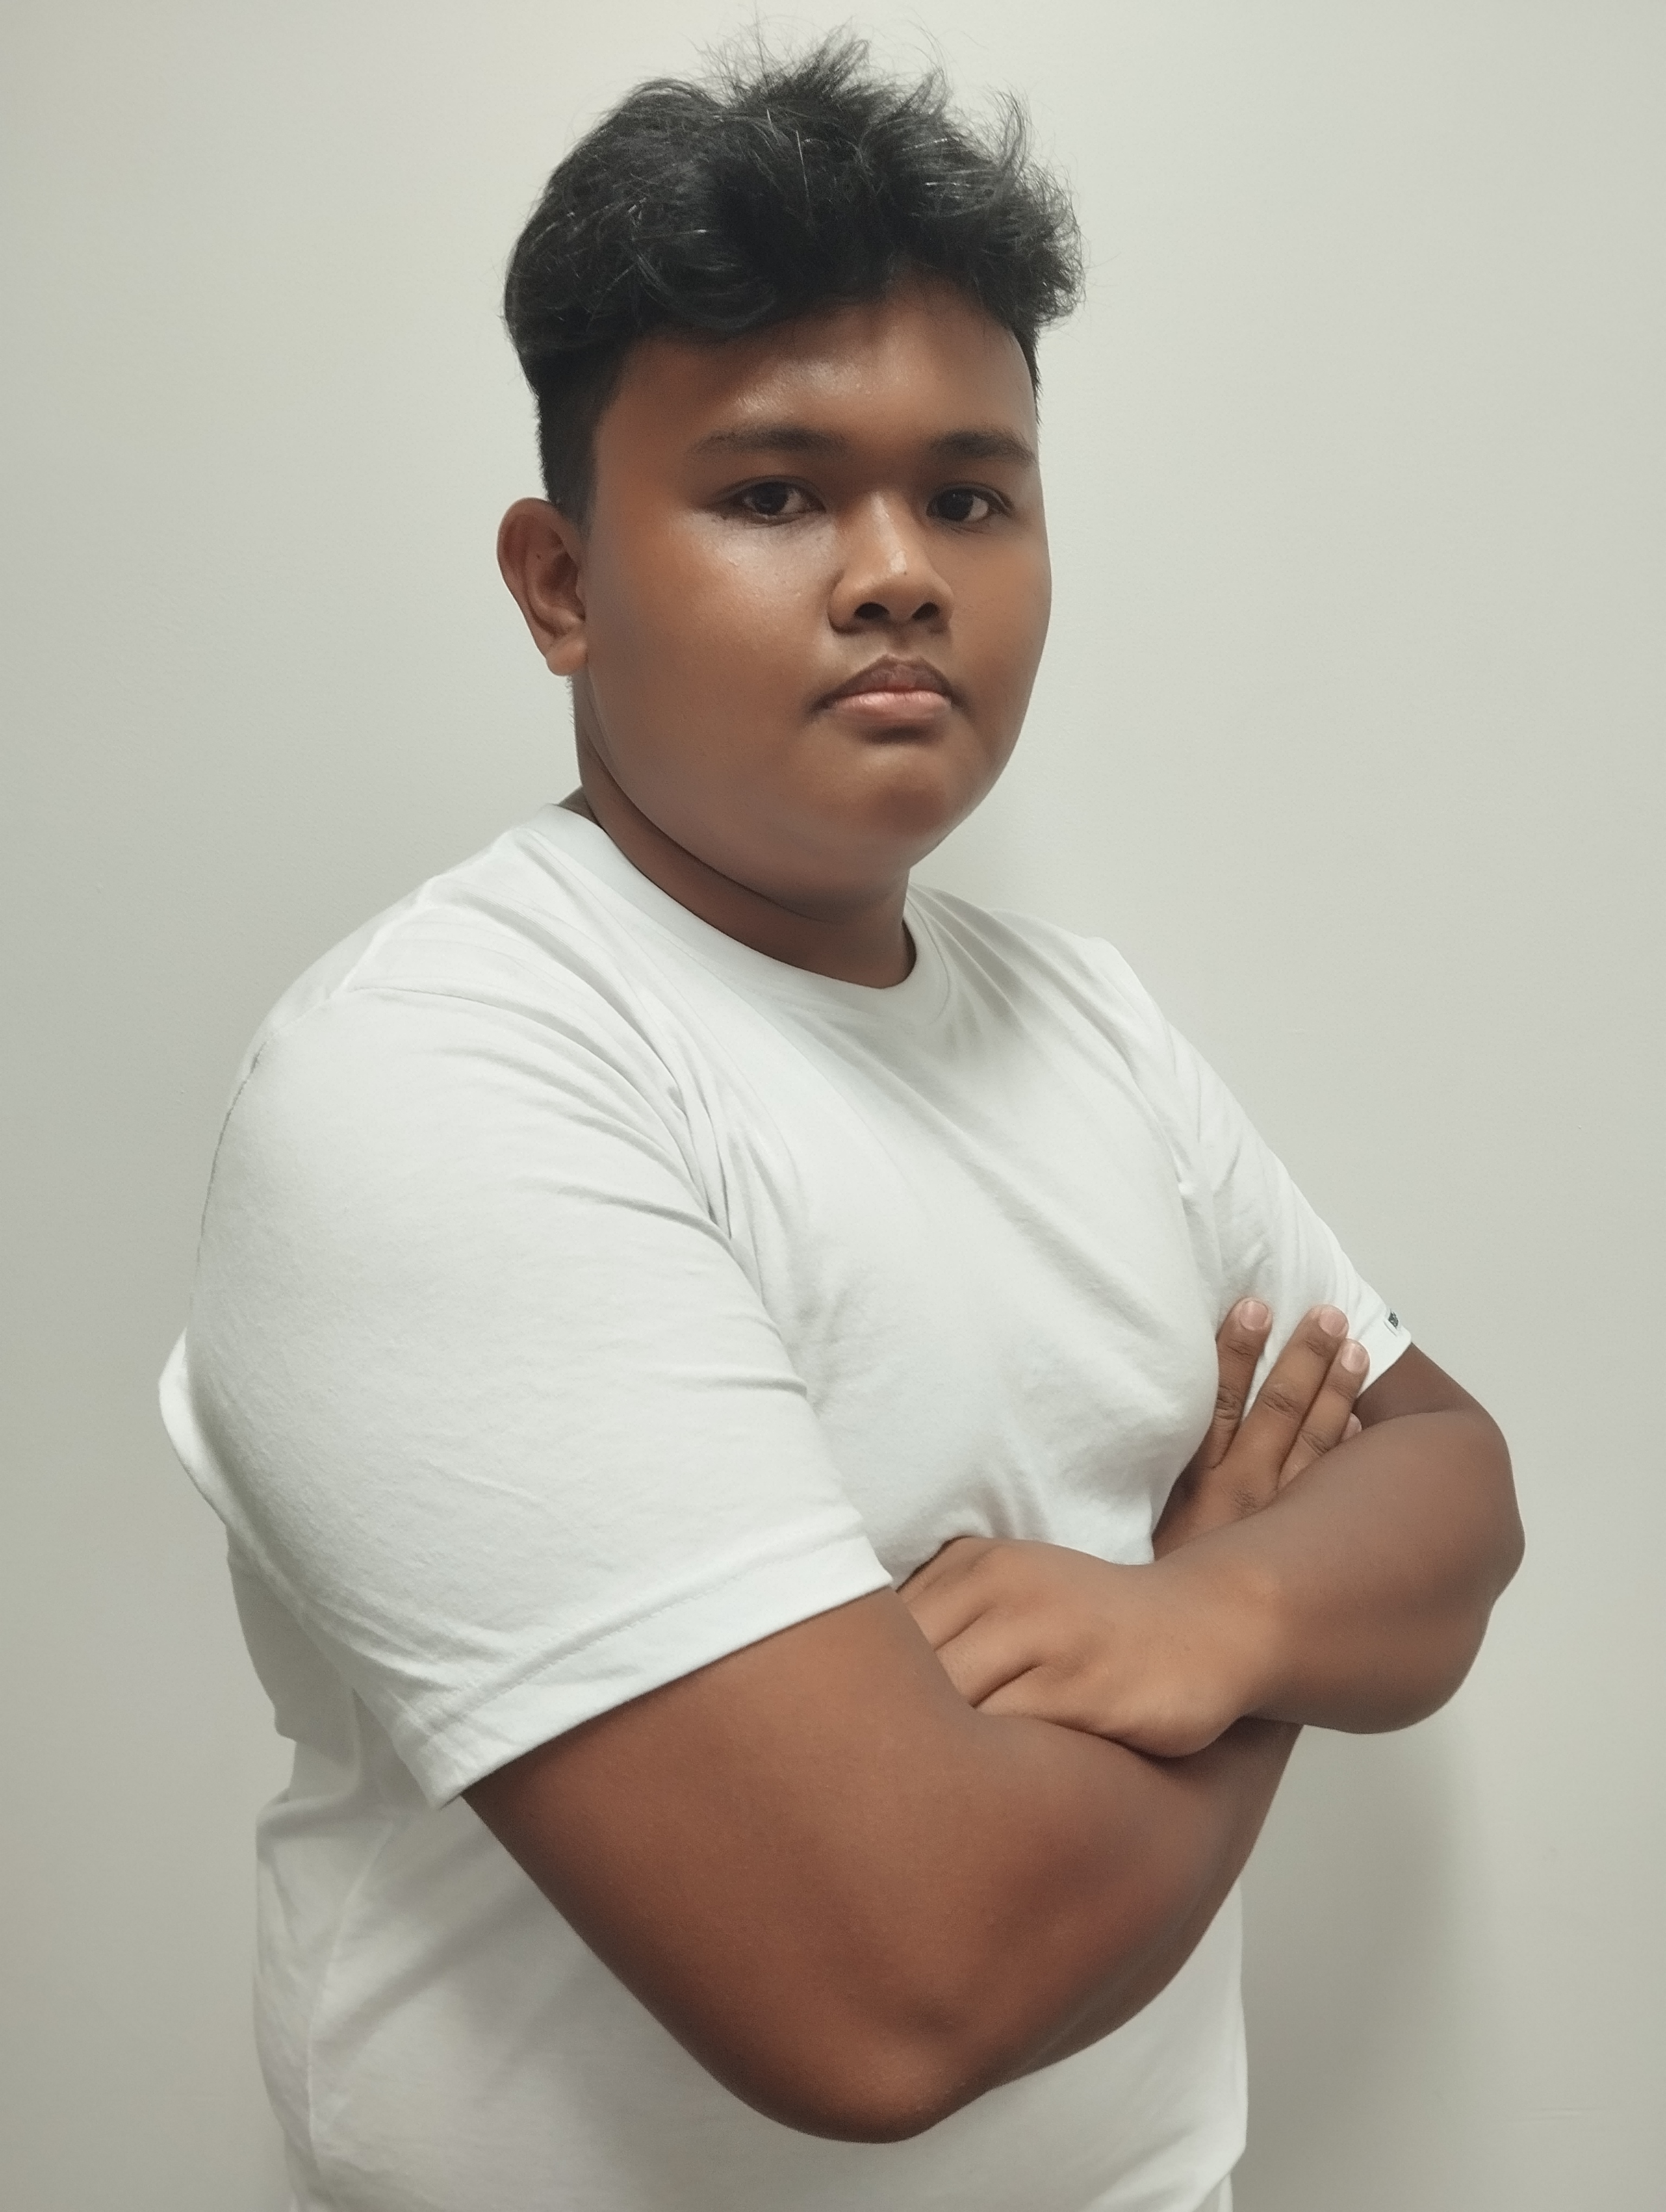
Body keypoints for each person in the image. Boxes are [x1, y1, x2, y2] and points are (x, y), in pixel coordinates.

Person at [161, 36, 1522, 2212]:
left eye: (970, 496)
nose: (900, 571)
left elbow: (1452, 1485)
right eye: (776, 494)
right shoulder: (449, 1075)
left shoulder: (1088, 1022)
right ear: (560, 583)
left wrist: (1205, 1629)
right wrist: (1249, 1595)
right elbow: (892, 1992)